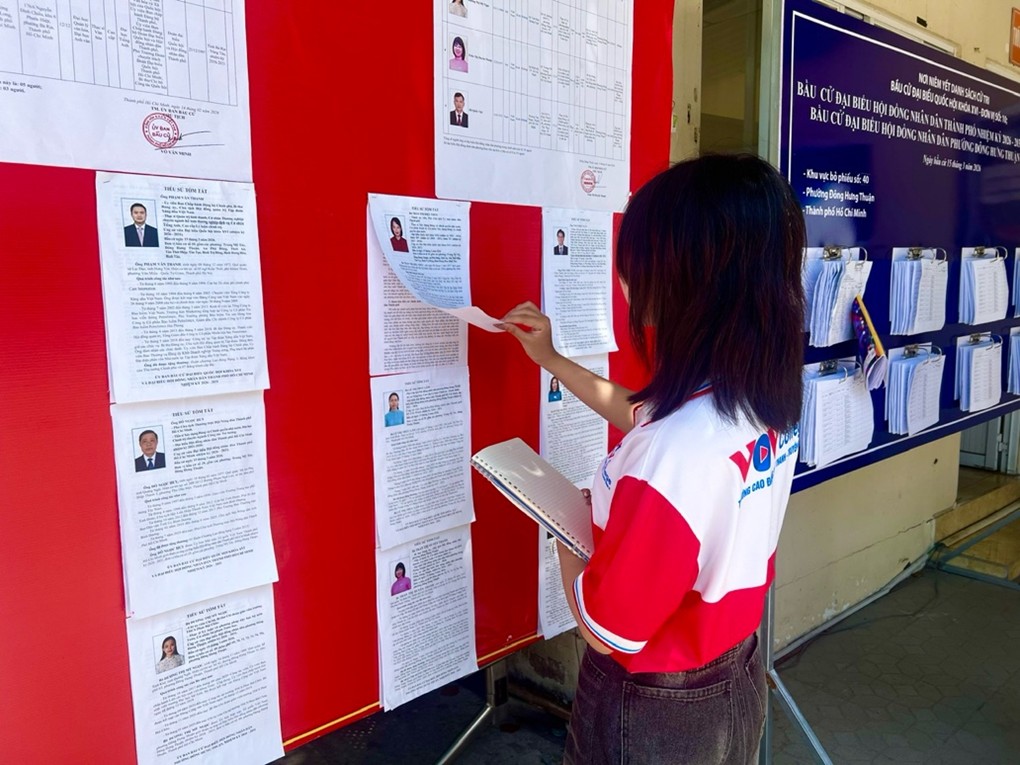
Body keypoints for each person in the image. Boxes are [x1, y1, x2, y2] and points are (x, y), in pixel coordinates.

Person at [497, 154, 806, 764]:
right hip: (736, 674)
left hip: (653, 709)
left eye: (637, 266)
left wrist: (564, 531)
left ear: (688, 283)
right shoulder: (755, 395)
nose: (625, 283)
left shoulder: (671, 456)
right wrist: (551, 360)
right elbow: (641, 412)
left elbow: (607, 631)